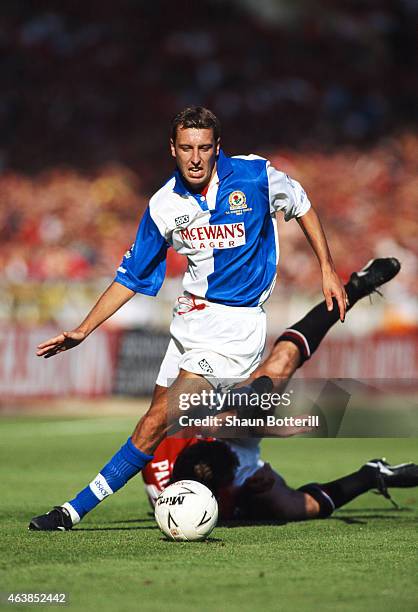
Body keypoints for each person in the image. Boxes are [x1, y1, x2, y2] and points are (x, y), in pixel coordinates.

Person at [29, 105, 348, 531]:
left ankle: (72, 510)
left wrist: (327, 266)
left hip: (234, 329)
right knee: (155, 421)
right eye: (186, 148)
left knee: (157, 421)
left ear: (218, 149)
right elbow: (132, 277)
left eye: (203, 148)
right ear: (172, 150)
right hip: (188, 325)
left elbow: (303, 203)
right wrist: (85, 329)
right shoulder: (163, 204)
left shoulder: (254, 177)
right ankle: (242, 403)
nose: (195, 158)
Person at [142, 256, 418, 522]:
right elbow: (233, 487)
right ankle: (371, 474)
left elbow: (217, 426)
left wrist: (279, 426)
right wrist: (248, 492)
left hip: (222, 413)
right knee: (293, 509)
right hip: (225, 461)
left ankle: (354, 289)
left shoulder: (158, 449)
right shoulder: (210, 504)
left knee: (280, 364)